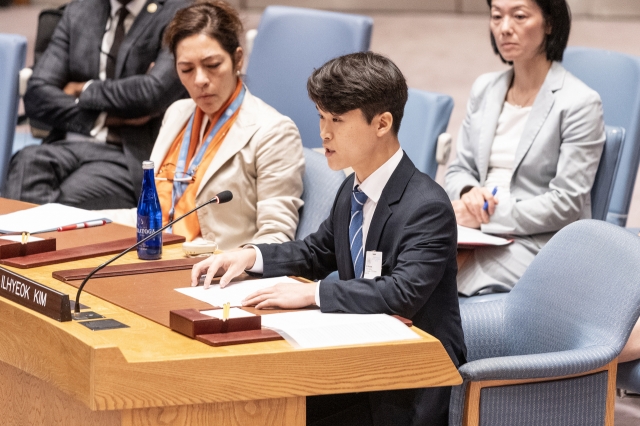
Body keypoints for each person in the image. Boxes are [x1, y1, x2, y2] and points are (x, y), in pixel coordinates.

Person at [191, 52, 466, 426]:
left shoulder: (426, 206)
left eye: (337, 119)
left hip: (413, 379)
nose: (324, 132)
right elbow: (317, 251)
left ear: (382, 123)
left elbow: (403, 293)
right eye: (321, 116)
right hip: (361, 361)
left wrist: (312, 293)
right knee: (255, 402)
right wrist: (249, 256)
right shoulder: (352, 188)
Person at [97, 0, 304, 250]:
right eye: (186, 69)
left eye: (212, 65)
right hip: (154, 253)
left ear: (238, 59)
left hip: (215, 273)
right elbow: (158, 214)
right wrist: (83, 222)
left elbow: (276, 237)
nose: (200, 80)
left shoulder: (273, 132)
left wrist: (235, 261)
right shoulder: (177, 113)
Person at [445, 0, 605, 296]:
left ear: (549, 23)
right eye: (496, 16)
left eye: (519, 16)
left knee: (439, 281)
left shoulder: (579, 102)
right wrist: (470, 195)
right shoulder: (485, 88)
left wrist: (487, 215)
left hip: (537, 241)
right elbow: (460, 169)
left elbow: (566, 203)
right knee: (405, 258)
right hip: (474, 229)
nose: (505, 28)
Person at [4, 0, 191, 209]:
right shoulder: (81, 9)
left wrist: (83, 89)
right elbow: (37, 94)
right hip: (67, 142)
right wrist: (102, 118)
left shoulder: (176, 12)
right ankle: (27, 241)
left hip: (126, 152)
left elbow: (152, 93)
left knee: (64, 201)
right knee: (25, 164)